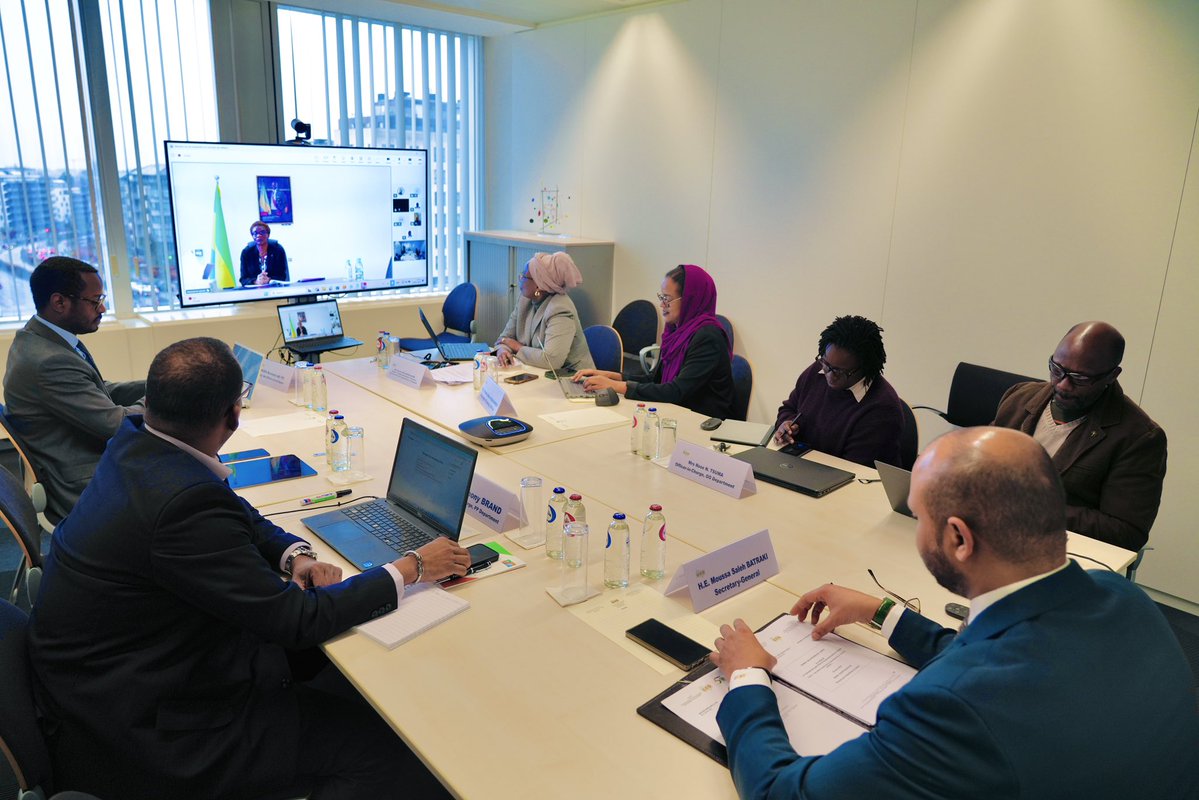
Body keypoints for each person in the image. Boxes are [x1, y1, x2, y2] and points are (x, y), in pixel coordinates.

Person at [27, 337, 471, 799]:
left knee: (341, 681)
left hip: (115, 674)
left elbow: (232, 510)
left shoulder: (140, 441)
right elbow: (294, 621)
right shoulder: (180, 504)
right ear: (234, 416)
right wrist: (412, 566)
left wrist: (294, 554)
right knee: (391, 752)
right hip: (151, 726)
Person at [710, 427, 1199, 800]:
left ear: (960, 539)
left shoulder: (949, 709)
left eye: (920, 518)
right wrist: (883, 613)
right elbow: (1001, 654)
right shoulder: (1121, 596)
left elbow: (783, 792)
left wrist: (749, 676)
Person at [991, 321, 1166, 550]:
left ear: (1112, 375)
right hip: (992, 533)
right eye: (1056, 369)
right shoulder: (1019, 397)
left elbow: (1126, 532)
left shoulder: (1138, 437)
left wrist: (1038, 509)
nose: (1063, 384)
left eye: (1080, 378)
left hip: (1061, 550)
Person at [2, 256, 145, 524]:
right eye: (95, 301)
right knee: (192, 485)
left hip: (77, 463)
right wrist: (171, 397)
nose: (102, 308)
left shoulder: (41, 340)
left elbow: (98, 390)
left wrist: (160, 382)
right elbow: (116, 424)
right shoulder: (48, 361)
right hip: (83, 487)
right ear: (59, 302)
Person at [576, 264, 734, 418]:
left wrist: (616, 386)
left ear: (689, 299)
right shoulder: (676, 331)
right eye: (661, 297)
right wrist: (612, 376)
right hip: (675, 414)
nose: (662, 304)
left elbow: (676, 391)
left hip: (701, 424)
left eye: (667, 299)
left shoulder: (707, 337)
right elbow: (656, 379)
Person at [773, 315, 905, 467]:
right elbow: (789, 408)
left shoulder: (882, 409)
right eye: (826, 364)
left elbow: (853, 471)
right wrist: (786, 424)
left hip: (850, 483)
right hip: (803, 468)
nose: (829, 375)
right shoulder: (817, 372)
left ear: (865, 368)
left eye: (840, 371)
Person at [495, 251, 595, 373]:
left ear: (538, 286)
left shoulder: (560, 310)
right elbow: (504, 338)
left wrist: (516, 347)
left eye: (524, 276)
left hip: (573, 380)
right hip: (536, 373)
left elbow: (552, 361)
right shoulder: (524, 300)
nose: (519, 279)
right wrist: (503, 350)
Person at [239, 220, 290, 286]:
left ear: (268, 235)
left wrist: (269, 280)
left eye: (262, 232)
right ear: (252, 236)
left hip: (275, 289)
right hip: (253, 291)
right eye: (255, 233)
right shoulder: (246, 252)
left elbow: (283, 276)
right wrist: (256, 281)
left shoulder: (278, 250)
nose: (259, 235)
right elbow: (243, 279)